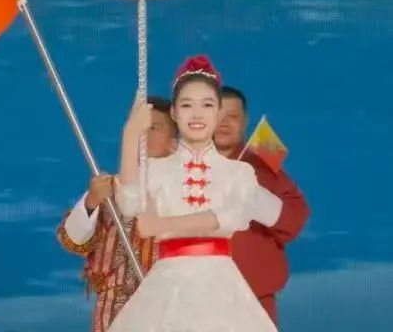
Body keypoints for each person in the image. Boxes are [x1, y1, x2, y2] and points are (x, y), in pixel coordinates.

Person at [107, 55, 281, 332]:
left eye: (207, 105)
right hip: (167, 284)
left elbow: (227, 217)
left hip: (220, 285)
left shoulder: (238, 173)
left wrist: (162, 225)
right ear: (174, 113)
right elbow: (128, 203)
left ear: (218, 112)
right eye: (187, 105)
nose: (197, 114)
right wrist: (130, 136)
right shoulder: (156, 169)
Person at [55, 96, 180, 331]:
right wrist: (92, 201)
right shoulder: (110, 187)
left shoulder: (188, 193)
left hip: (171, 307)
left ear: (174, 143)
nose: (143, 135)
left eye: (154, 128)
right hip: (116, 310)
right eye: (138, 127)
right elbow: (72, 240)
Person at [215, 85, 309, 324]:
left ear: (245, 121)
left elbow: (294, 219)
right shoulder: (182, 165)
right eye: (217, 115)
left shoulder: (263, 167)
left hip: (254, 300)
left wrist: (256, 199)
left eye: (233, 116)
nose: (224, 123)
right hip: (195, 298)